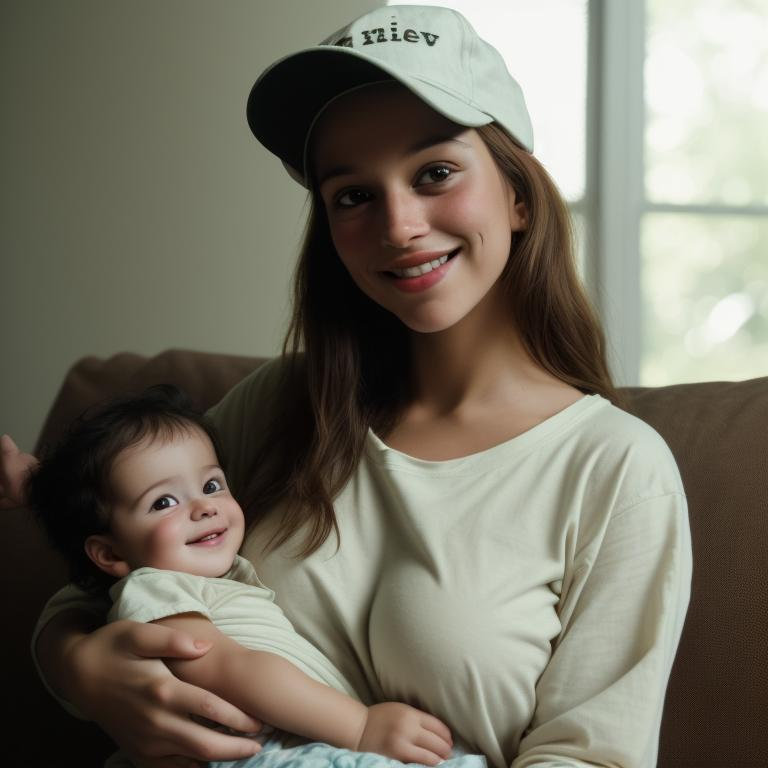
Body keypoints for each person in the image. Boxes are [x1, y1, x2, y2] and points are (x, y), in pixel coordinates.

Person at [2, 5, 692, 767]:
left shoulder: (616, 470)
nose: (398, 225)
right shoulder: (285, 405)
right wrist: (87, 672)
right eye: (353, 195)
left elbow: (589, 755)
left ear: (519, 195)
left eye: (435, 172)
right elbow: (100, 579)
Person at [25, 384, 470, 768]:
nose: (204, 507)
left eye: (212, 484)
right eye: (163, 502)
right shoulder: (155, 589)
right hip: (259, 755)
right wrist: (359, 725)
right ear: (109, 553)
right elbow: (230, 668)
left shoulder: (219, 579)